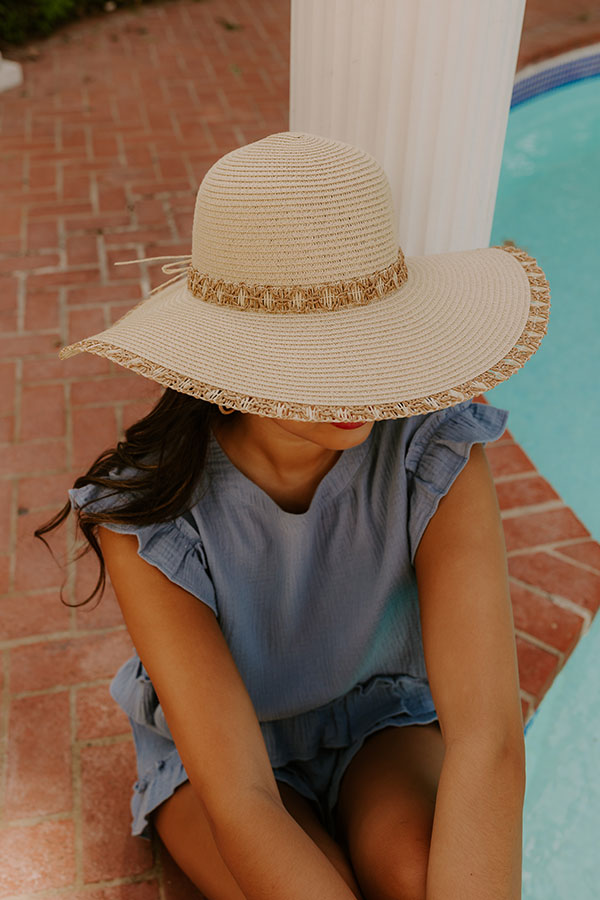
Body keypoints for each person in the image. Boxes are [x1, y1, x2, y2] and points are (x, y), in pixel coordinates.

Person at [38, 131, 550, 900]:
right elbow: (241, 797)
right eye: (317, 349)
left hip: (379, 719)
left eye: (369, 334)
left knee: (417, 877)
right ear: (230, 357)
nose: (360, 374)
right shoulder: (145, 516)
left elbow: (489, 741)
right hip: (221, 766)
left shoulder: (434, 447)